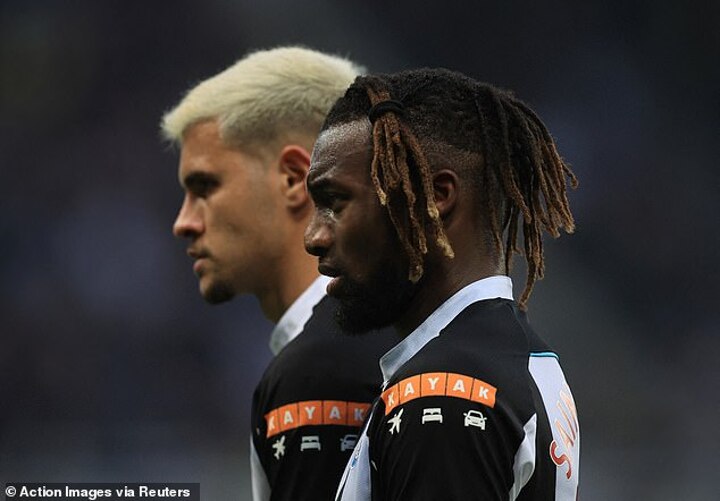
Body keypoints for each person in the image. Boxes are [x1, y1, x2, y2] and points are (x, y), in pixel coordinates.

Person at [304, 68, 580, 500]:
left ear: (435, 197)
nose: (313, 237)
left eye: (335, 203)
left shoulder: (441, 397)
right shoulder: (524, 359)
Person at [160, 47, 396, 501]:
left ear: (293, 178)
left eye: (205, 187)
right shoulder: (413, 328)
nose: (183, 222)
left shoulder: (322, 369)